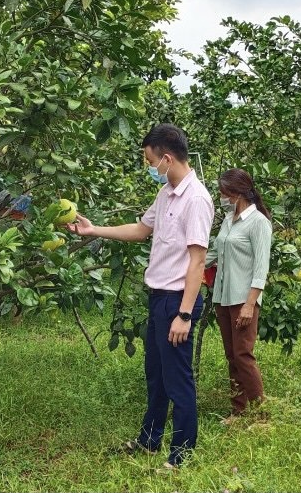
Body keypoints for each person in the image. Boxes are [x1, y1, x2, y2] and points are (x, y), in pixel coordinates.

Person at [67, 123, 213, 469]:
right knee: (157, 376)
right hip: (159, 297)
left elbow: (197, 261)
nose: (149, 168)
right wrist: (92, 230)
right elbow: (141, 229)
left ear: (166, 158)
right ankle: (149, 441)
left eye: (150, 162)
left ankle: (182, 455)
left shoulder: (196, 198)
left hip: (178, 301)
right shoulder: (166, 193)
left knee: (178, 380)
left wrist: (185, 314)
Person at [206, 168, 272, 424]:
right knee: (232, 355)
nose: (222, 198)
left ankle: (261, 415)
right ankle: (239, 410)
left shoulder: (259, 223)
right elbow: (215, 252)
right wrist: (190, 265)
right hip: (223, 296)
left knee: (244, 355)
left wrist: (249, 303)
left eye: (224, 193)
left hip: (243, 298)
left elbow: (261, 268)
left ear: (237, 193)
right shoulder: (228, 219)